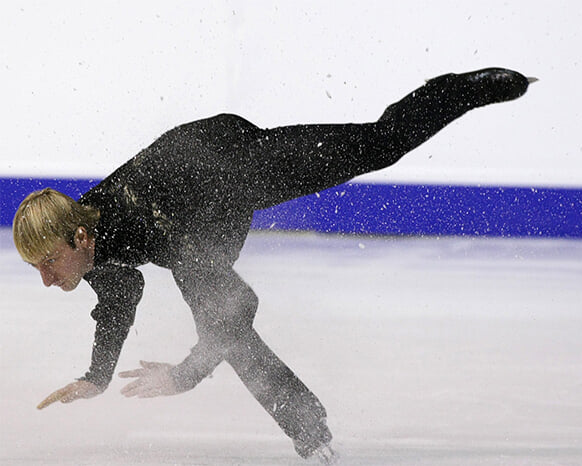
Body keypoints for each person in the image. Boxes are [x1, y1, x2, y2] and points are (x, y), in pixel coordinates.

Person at [12, 67, 534, 464]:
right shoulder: (91, 240)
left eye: (50, 262)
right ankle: (312, 432)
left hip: (229, 164)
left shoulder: (150, 230)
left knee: (377, 145)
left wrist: (186, 375)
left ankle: (479, 85)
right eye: (38, 267)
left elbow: (238, 307)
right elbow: (120, 299)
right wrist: (98, 376)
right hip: (192, 207)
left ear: (79, 236)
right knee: (217, 313)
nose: (47, 278)